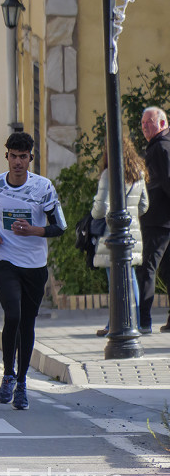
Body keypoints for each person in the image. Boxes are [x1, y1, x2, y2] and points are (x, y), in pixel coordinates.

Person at [0, 132, 65, 410]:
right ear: (7, 157)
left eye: (23, 157)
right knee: (12, 313)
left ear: (30, 158)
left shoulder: (43, 187)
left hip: (34, 265)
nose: (17, 162)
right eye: (13, 156)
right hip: (3, 259)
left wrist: (33, 230)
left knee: (27, 323)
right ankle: (7, 375)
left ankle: (23, 383)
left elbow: (59, 226)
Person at [93, 135, 149, 337]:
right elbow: (144, 205)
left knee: (115, 282)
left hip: (112, 234)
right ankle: (135, 322)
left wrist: (94, 213)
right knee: (130, 278)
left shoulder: (108, 174)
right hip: (133, 233)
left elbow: (100, 209)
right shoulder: (138, 173)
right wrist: (130, 215)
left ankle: (115, 325)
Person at [138, 106, 170, 334]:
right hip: (163, 219)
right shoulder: (161, 145)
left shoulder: (161, 147)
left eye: (149, 122)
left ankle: (143, 321)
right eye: (142, 123)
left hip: (158, 220)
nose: (145, 127)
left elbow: (167, 180)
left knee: (147, 268)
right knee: (167, 271)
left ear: (162, 123)